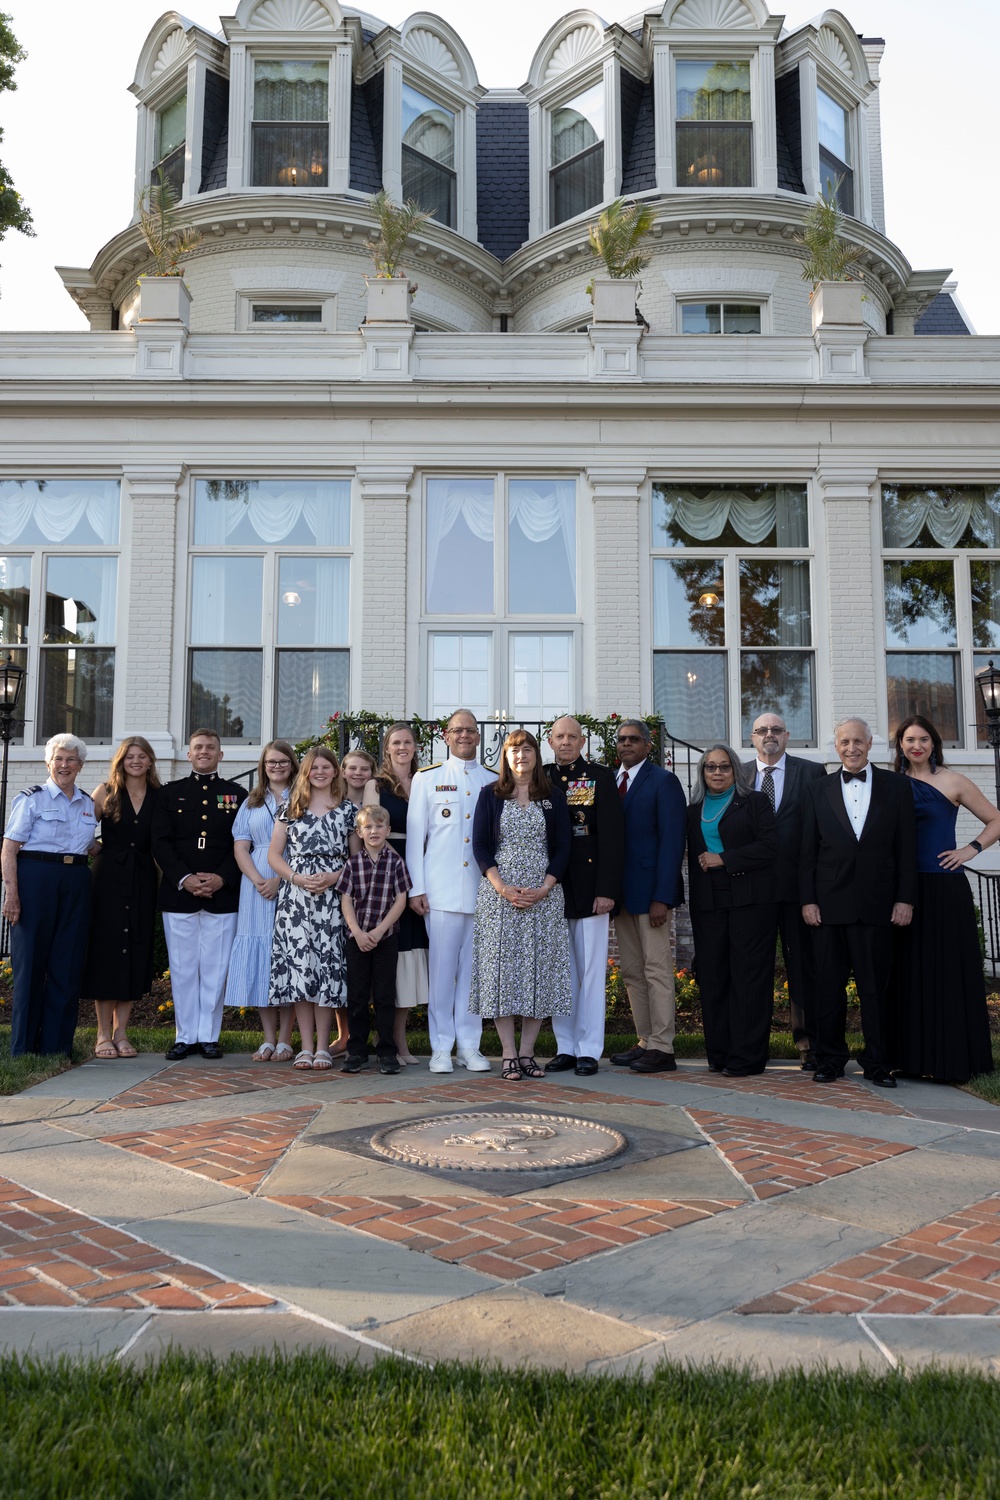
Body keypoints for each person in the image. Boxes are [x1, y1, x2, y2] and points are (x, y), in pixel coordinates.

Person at [800, 716, 917, 1088]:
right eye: (845, 742)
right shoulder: (816, 790)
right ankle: (829, 1059)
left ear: (870, 744)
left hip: (877, 905)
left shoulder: (897, 787)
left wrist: (905, 899)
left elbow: (907, 850)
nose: (852, 748)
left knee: (875, 989)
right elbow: (807, 852)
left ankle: (878, 1062)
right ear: (836, 747)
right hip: (828, 906)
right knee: (827, 987)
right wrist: (808, 900)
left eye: (858, 741)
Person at [888, 714, 1000, 1082]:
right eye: (909, 740)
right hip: (901, 890)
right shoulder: (891, 783)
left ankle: (950, 1060)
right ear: (900, 745)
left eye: (923, 739)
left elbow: (996, 820)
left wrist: (970, 850)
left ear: (934, 743)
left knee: (946, 971)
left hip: (943, 888)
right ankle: (909, 1058)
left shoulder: (953, 781)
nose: (916, 745)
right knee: (907, 973)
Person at [471, 729, 572, 1080]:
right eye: (514, 750)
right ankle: (508, 1053)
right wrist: (501, 887)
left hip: (543, 896)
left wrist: (544, 888)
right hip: (499, 897)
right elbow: (480, 846)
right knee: (501, 973)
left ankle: (528, 1053)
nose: (521, 755)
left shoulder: (553, 796)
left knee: (538, 973)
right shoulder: (490, 795)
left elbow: (564, 847)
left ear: (536, 755)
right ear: (506, 756)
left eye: (527, 749)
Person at [406, 709, 497, 1073]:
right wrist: (416, 888)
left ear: (478, 736)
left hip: (482, 892)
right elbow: (416, 838)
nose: (464, 735)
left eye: (470, 730)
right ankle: (441, 1047)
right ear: (446, 736)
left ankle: (470, 1046)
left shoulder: (493, 780)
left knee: (473, 976)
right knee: (442, 975)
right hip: (440, 893)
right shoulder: (427, 778)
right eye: (457, 730)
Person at [151, 729, 247, 1061]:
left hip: (222, 896)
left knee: (215, 969)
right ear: (189, 754)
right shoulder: (169, 794)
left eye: (211, 747)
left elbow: (243, 842)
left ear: (221, 755)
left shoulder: (237, 795)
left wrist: (223, 878)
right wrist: (185, 878)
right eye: (198, 747)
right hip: (180, 895)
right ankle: (184, 1036)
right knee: (182, 968)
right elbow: (160, 842)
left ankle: (208, 1036)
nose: (204, 752)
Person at [1, 734, 99, 1057]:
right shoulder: (31, 799)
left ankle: (56, 1047)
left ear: (80, 765)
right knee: (30, 967)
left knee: (67, 965)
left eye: (71, 759)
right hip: (36, 880)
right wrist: (11, 895)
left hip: (75, 882)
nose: (64, 765)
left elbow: (91, 846)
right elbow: (9, 850)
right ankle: (23, 1049)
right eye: (58, 759)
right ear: (48, 763)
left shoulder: (87, 803)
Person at [687, 745, 779, 1075]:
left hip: (750, 900)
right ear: (702, 772)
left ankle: (747, 1058)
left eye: (724, 767)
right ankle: (720, 1054)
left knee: (748, 979)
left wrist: (724, 859)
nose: (717, 772)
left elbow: (770, 846)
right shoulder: (693, 809)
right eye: (710, 767)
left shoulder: (754, 802)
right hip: (708, 903)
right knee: (713, 978)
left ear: (735, 771)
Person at [267, 746, 359, 1071]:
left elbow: (356, 860)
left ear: (335, 771)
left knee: (327, 972)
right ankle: (305, 1047)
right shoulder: (291, 807)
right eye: (314, 767)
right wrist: (295, 878)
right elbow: (274, 855)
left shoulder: (348, 811)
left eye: (326, 767)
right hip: (296, 901)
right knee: (301, 972)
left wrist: (334, 877)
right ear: (306, 772)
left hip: (333, 900)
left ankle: (323, 1048)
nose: (320, 772)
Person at [545, 715, 624, 1076]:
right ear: (550, 741)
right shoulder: (542, 777)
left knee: (591, 971)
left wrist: (606, 889)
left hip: (591, 887)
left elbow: (612, 837)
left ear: (582, 741)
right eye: (559, 736)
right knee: (561, 971)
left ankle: (589, 1049)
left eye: (572, 737)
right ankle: (565, 1047)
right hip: (552, 889)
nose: (565, 742)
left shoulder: (599, 777)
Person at [746, 712, 826, 1069]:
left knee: (803, 969)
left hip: (798, 890)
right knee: (754, 970)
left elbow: (821, 830)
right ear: (752, 738)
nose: (769, 735)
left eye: (776, 729)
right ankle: (752, 1048)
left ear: (787, 735)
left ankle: (809, 1045)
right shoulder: (740, 775)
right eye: (762, 730)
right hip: (753, 890)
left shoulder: (812, 773)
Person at [611, 719, 687, 1073]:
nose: (626, 744)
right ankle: (645, 1040)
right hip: (622, 896)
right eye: (621, 739)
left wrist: (663, 897)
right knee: (631, 971)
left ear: (648, 745)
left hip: (652, 895)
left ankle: (663, 1046)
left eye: (634, 739)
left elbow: (672, 842)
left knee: (656, 969)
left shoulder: (663, 781)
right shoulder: (611, 782)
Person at [81, 735, 162, 1059]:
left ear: (150, 760)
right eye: (130, 756)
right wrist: (92, 845)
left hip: (143, 878)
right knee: (107, 951)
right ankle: (102, 1034)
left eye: (142, 756)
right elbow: (80, 824)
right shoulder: (106, 791)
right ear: (121, 761)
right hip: (108, 879)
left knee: (134, 950)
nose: (136, 761)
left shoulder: (160, 796)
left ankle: (121, 1033)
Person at [226, 740, 299, 1063]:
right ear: (263, 766)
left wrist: (279, 880)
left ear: (292, 764)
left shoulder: (303, 797)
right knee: (261, 960)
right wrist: (258, 879)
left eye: (283, 761)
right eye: (271, 762)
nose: (277, 766)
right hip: (255, 886)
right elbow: (241, 846)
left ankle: (286, 1039)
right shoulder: (251, 802)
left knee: (287, 957)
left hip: (292, 880)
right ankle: (268, 1038)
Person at [362, 721, 429, 1064]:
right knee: (393, 955)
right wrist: (394, 870)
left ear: (416, 747)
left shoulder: (425, 780)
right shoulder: (376, 785)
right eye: (395, 742)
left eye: (407, 742)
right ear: (387, 748)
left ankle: (396, 1039)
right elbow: (370, 828)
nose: (402, 747)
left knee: (411, 956)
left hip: (422, 868)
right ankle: (389, 1040)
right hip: (389, 870)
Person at [337, 804, 410, 1075]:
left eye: (379, 826)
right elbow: (346, 900)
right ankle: (356, 1051)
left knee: (384, 996)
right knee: (357, 996)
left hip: (385, 939)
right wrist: (357, 932)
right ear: (359, 832)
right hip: (357, 939)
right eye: (368, 827)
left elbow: (401, 900)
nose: (374, 831)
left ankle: (387, 1052)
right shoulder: (353, 864)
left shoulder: (396, 863)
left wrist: (379, 932)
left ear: (388, 830)